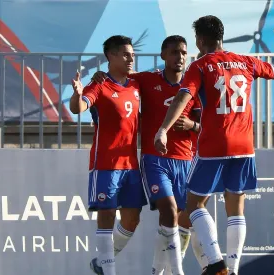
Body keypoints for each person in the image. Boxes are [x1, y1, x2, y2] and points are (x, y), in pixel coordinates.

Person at [154, 15, 274, 275]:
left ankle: (217, 262)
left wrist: (163, 129)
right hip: (244, 145)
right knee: (236, 208)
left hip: (214, 144)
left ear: (200, 39)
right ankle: (233, 268)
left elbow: (184, 97)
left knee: (194, 204)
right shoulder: (246, 61)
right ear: (222, 36)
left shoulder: (201, 65)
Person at [91, 35, 204, 275]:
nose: (179, 57)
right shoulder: (146, 79)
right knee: (169, 211)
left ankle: (141, 267)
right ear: (163, 56)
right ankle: (176, 271)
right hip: (155, 159)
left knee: (177, 220)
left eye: (183, 52)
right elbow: (117, 79)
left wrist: (192, 126)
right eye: (174, 52)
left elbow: (207, 125)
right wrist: (97, 76)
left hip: (186, 160)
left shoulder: (193, 86)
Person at [70, 35, 148, 275]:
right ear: (110, 56)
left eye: (132, 55)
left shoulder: (136, 84)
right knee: (106, 215)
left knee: (132, 220)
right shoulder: (100, 84)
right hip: (106, 162)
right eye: (125, 54)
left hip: (131, 164)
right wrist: (77, 93)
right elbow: (78, 107)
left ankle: (102, 261)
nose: (131, 59)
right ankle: (109, 269)